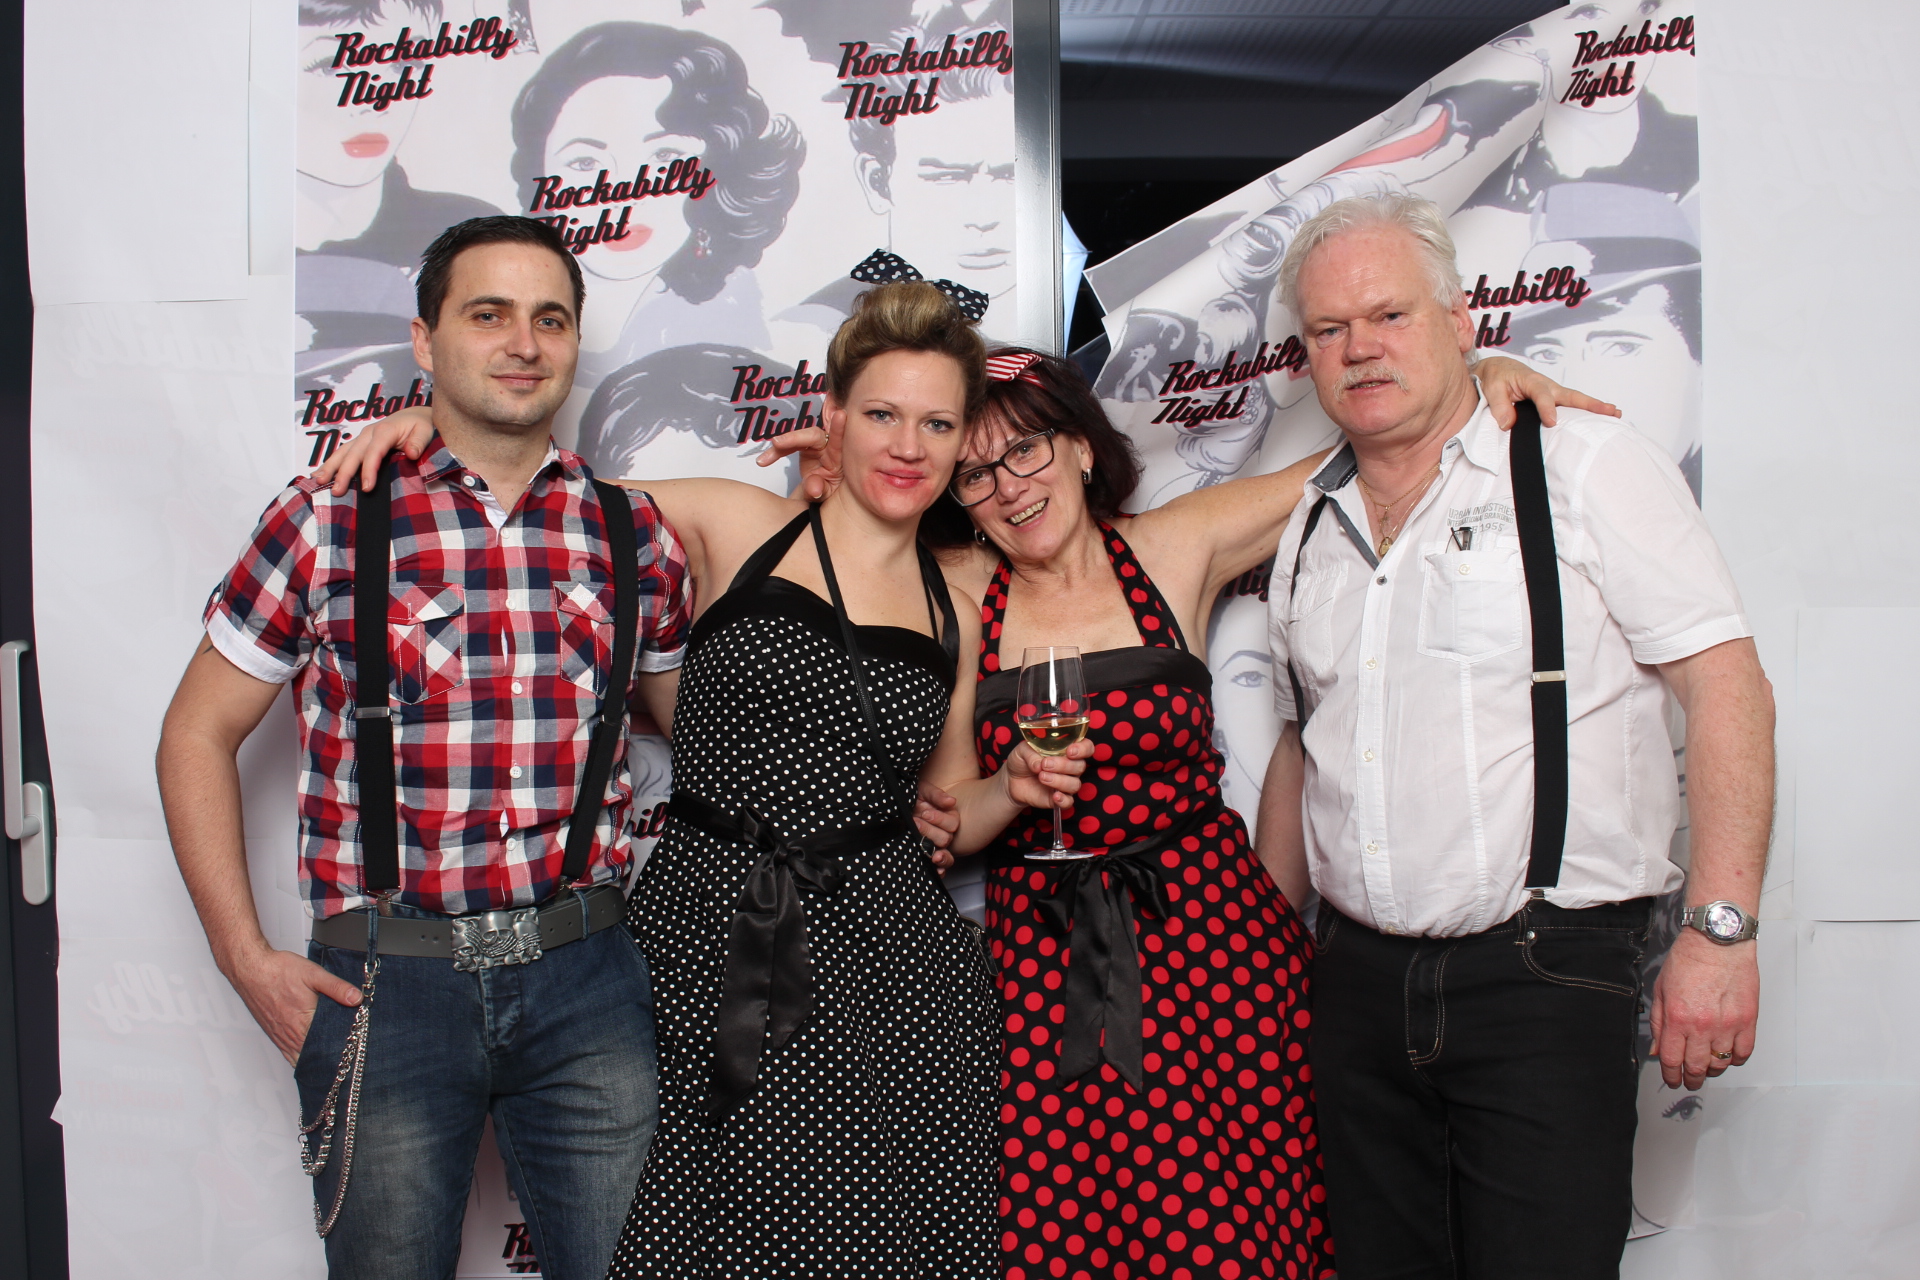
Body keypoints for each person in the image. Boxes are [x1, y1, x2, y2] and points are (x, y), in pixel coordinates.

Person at [320, 279, 1090, 1277]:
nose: (909, 445)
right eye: (884, 415)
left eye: (937, 424)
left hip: (892, 966)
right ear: (835, 417)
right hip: (708, 931)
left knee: (873, 1245)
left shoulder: (957, 602)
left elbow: (949, 805)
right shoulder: (738, 523)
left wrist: (1012, 786)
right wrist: (444, 423)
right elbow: (542, 503)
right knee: (697, 1237)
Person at [891, 345, 1602, 1280]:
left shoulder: (1169, 547)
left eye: (1026, 449)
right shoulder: (955, 587)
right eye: (976, 473)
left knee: (1234, 1233)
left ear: (1082, 448)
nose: (1009, 487)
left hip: (1215, 946)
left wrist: (1477, 378)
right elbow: (953, 816)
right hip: (1048, 966)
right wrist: (1009, 786)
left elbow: (1358, 456)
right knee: (1073, 1238)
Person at [160, 215, 688, 1279]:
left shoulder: (634, 532)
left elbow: (699, 738)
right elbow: (195, 733)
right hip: (385, 984)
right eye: (488, 314)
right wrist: (243, 957)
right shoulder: (326, 518)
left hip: (588, 977)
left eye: (550, 319)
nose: (523, 343)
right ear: (424, 339)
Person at [1257, 193, 1772, 1279]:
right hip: (1351, 984)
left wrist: (1720, 933)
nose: (1360, 347)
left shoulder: (1581, 462)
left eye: (1389, 314)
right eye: (1329, 329)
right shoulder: (1308, 521)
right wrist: (1263, 956)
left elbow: (1725, 682)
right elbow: (1307, 746)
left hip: (1544, 973)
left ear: (1459, 320)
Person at [508, 21, 805, 389]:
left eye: (664, 157)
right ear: (540, 175)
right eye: (585, 163)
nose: (623, 195)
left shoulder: (757, 336)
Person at [297, 0, 502, 400]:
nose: (375, 99)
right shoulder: (218, 247)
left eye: (401, 63)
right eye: (330, 65)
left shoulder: (474, 235)